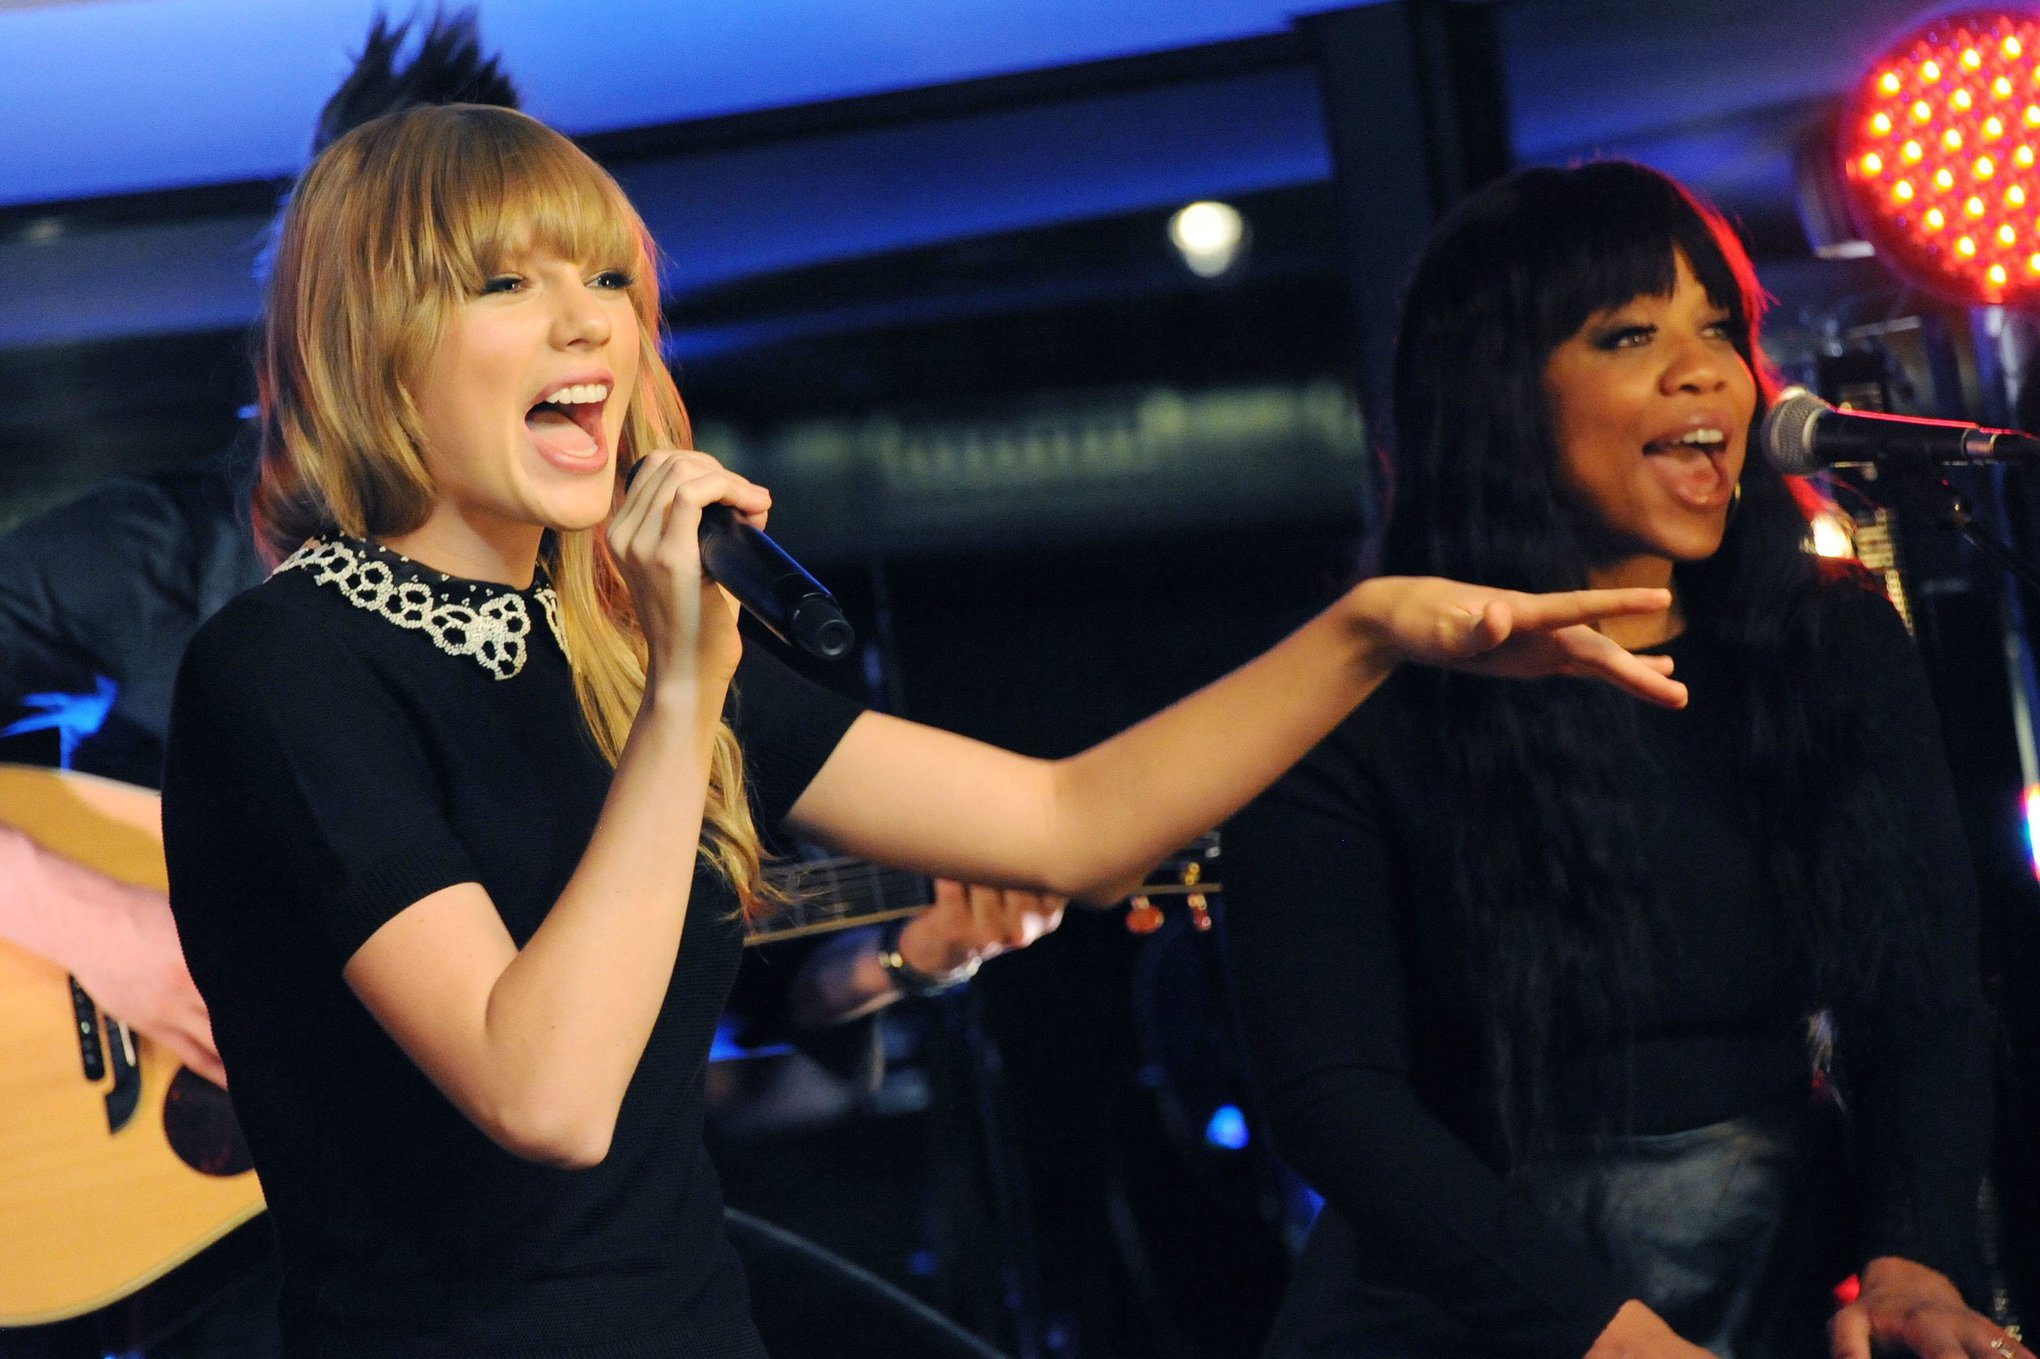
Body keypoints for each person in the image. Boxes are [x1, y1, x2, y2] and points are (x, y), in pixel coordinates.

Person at [154, 103, 1684, 1358]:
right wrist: (687, 690)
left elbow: (1069, 820)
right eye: (511, 286)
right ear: (378, 340)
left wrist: (1374, 631)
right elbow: (543, 1092)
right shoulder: (289, 669)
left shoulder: (628, 649)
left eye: (610, 280)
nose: (590, 328)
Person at [1222, 160, 2012, 1359]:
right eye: (1631, 332)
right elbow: (1336, 1102)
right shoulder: (1356, 701)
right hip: (1472, 1303)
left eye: (1722, 328)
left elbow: (1923, 1003)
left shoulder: (1831, 642)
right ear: (1498, 395)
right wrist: (1605, 1334)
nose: (1705, 370)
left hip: (1777, 1265)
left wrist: (1915, 1256)